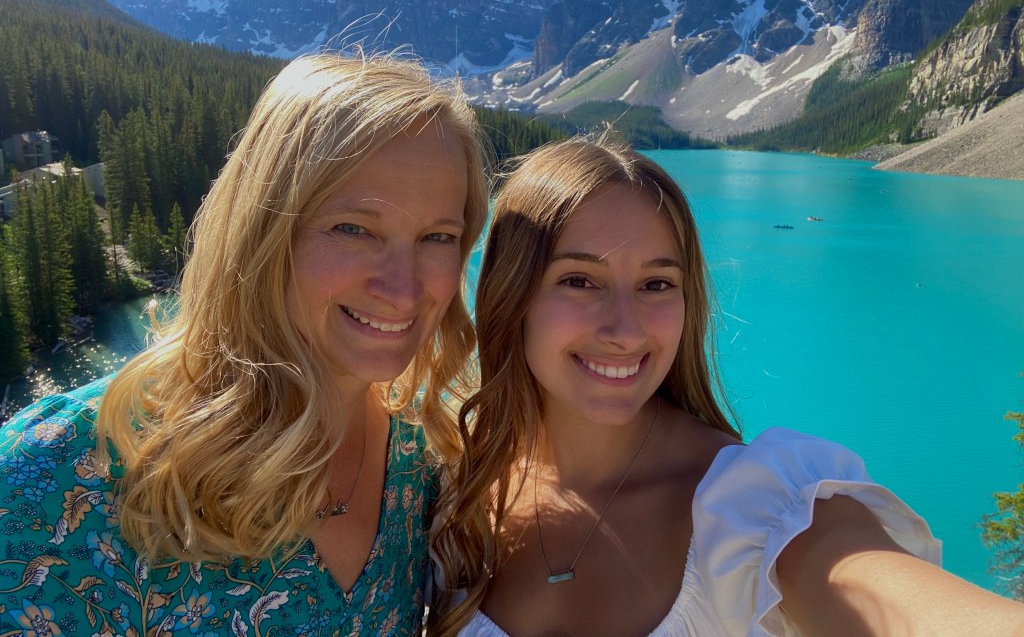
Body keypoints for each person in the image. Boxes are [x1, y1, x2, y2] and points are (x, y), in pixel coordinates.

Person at [429, 136, 1024, 636]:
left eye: (657, 285)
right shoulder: (449, 493)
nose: (625, 330)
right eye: (580, 280)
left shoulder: (761, 509)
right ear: (512, 294)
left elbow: (878, 594)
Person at [0, 51, 488, 637]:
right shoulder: (60, 474)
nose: (404, 288)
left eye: (438, 237)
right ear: (262, 232)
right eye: (354, 229)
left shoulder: (419, 455)